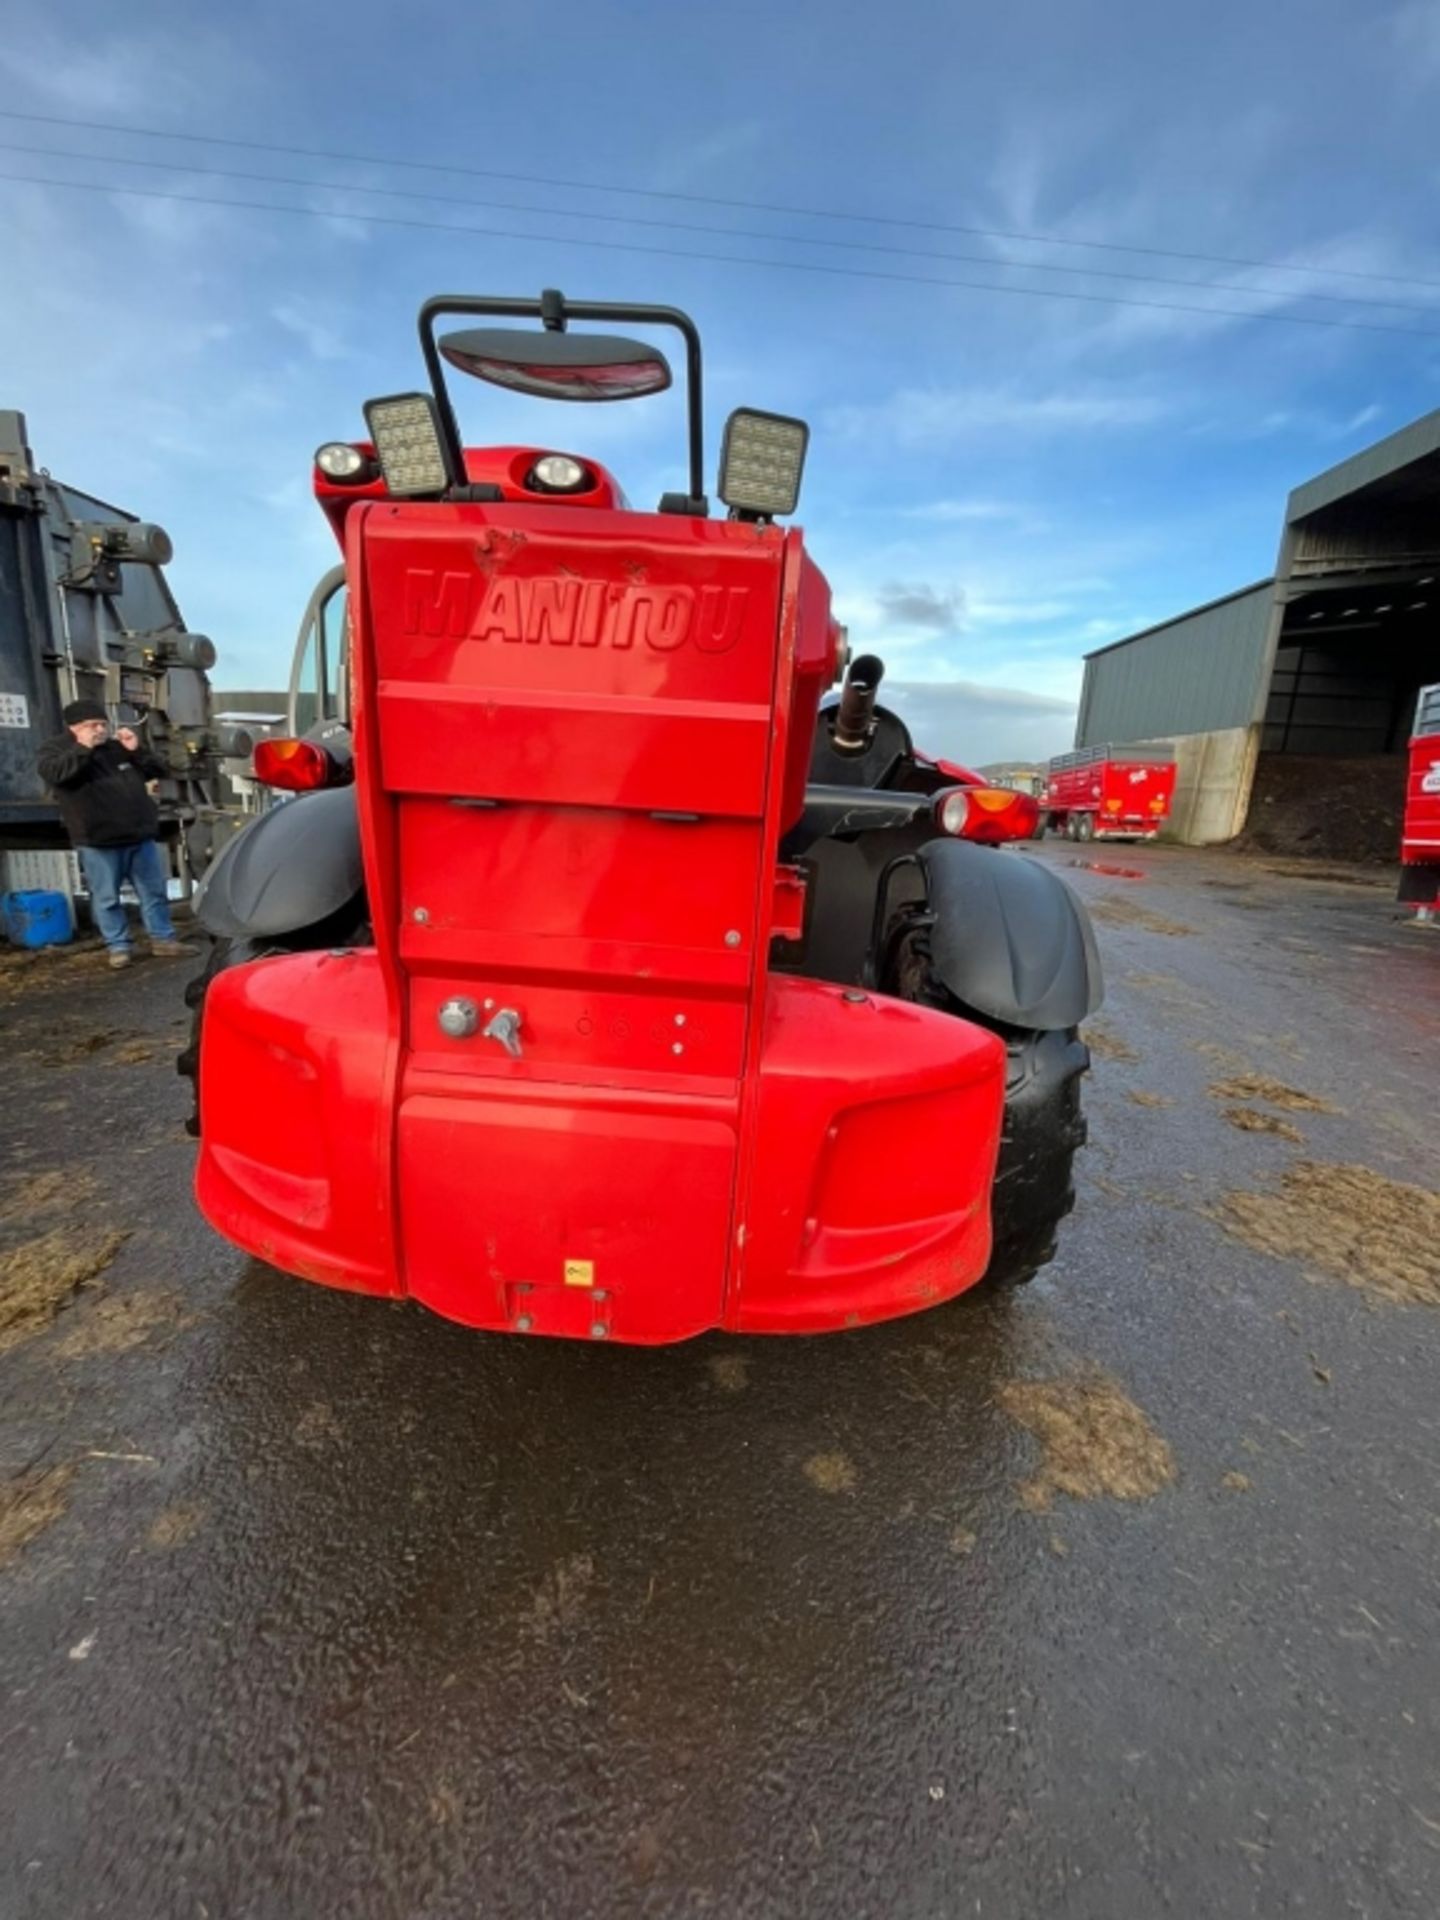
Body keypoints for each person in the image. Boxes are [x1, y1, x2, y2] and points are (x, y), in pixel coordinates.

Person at [36, 699, 198, 971]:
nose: (99, 730)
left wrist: (136, 751)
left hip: (138, 835)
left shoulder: (116, 749)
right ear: (74, 727)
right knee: (107, 898)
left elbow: (157, 771)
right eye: (92, 725)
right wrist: (82, 748)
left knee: (153, 892)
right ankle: (119, 946)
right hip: (97, 840)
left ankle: (163, 939)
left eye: (102, 724)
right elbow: (58, 774)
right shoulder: (55, 750)